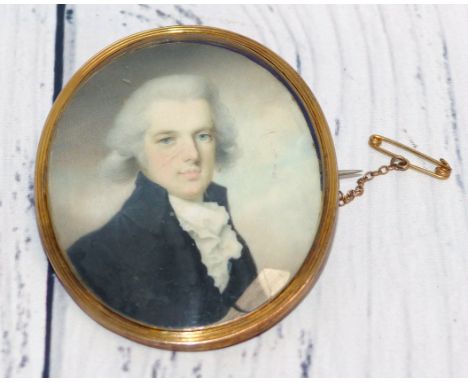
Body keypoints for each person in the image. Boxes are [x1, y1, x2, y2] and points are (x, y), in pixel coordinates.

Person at [68, 74, 257, 328]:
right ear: (137, 150)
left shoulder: (223, 229)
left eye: (203, 136)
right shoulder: (93, 256)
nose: (192, 154)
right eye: (167, 140)